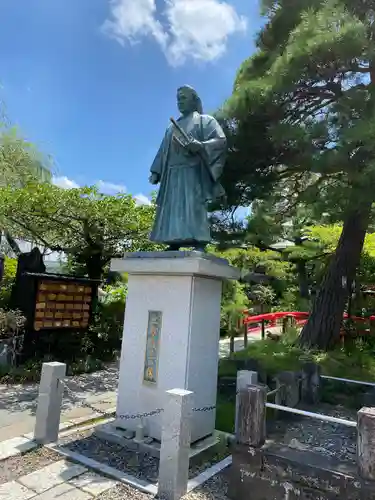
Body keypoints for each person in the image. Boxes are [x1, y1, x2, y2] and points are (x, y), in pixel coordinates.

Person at [149, 85, 227, 252]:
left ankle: (199, 241)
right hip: (172, 173)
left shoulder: (205, 121)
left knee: (194, 206)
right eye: (178, 99)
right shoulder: (171, 127)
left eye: (183, 98)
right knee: (172, 209)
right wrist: (156, 171)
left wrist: (200, 145)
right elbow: (163, 151)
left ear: (194, 100)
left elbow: (220, 141)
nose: (180, 102)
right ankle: (173, 241)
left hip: (193, 172)